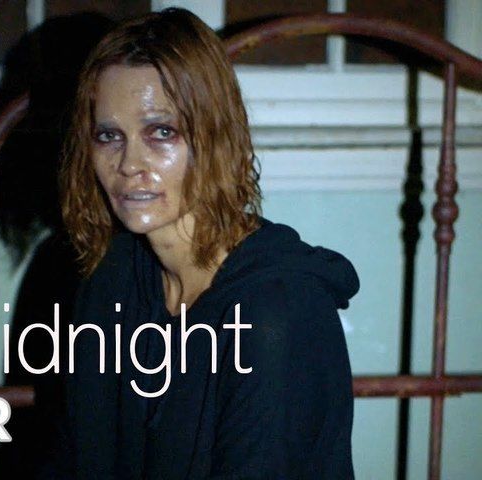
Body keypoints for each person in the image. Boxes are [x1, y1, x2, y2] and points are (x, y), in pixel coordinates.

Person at [50, 7, 360, 479]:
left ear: (215, 137)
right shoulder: (112, 280)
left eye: (162, 132)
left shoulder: (279, 313)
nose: (129, 163)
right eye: (109, 136)